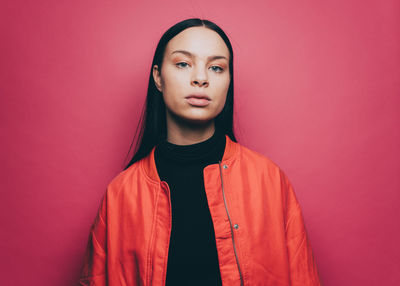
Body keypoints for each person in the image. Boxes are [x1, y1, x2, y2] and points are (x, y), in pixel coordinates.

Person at [79, 18, 321, 286]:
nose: (201, 78)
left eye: (216, 67)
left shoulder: (270, 181)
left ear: (229, 82)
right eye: (183, 64)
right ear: (158, 77)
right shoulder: (120, 195)